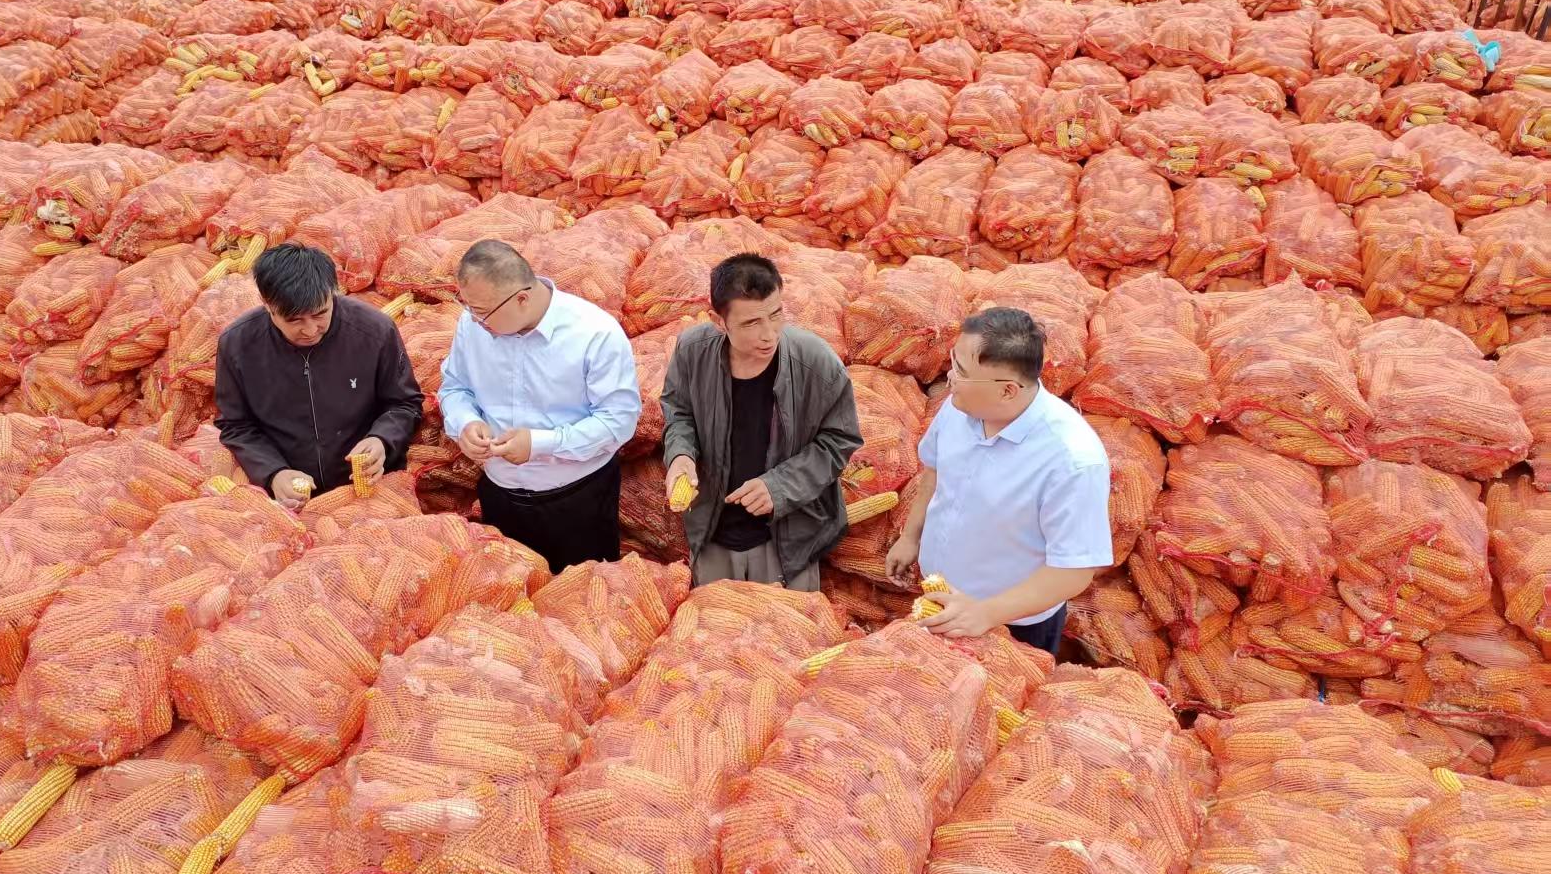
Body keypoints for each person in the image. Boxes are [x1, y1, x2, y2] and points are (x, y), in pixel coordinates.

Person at [885, 306, 1111, 655]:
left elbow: (1074, 570)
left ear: (1007, 390)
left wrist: (985, 613)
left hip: (1013, 624)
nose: (949, 378)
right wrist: (910, 536)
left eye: (961, 371)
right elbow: (935, 472)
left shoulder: (1072, 460)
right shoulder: (958, 407)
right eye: (953, 361)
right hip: (940, 595)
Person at [661, 253, 862, 590]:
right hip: (714, 531)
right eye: (752, 323)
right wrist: (680, 455)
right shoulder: (692, 351)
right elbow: (679, 411)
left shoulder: (816, 362)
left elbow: (840, 440)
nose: (769, 334)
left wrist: (779, 487)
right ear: (719, 321)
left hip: (787, 537)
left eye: (776, 315)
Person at [438, 239, 639, 573]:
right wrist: (465, 422)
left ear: (521, 298)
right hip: (501, 496)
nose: (476, 321)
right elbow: (455, 386)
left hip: (577, 503)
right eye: (469, 308)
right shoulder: (472, 326)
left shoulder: (595, 333)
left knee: (582, 607)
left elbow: (617, 422)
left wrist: (541, 444)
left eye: (483, 312)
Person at [215, 242, 423, 509]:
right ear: (268, 306)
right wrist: (273, 473)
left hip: (369, 490)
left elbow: (405, 403)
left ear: (332, 293)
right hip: (288, 497)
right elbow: (236, 425)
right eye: (294, 320)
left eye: (320, 314)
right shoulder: (237, 345)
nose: (311, 329)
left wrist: (381, 439)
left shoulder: (375, 331)